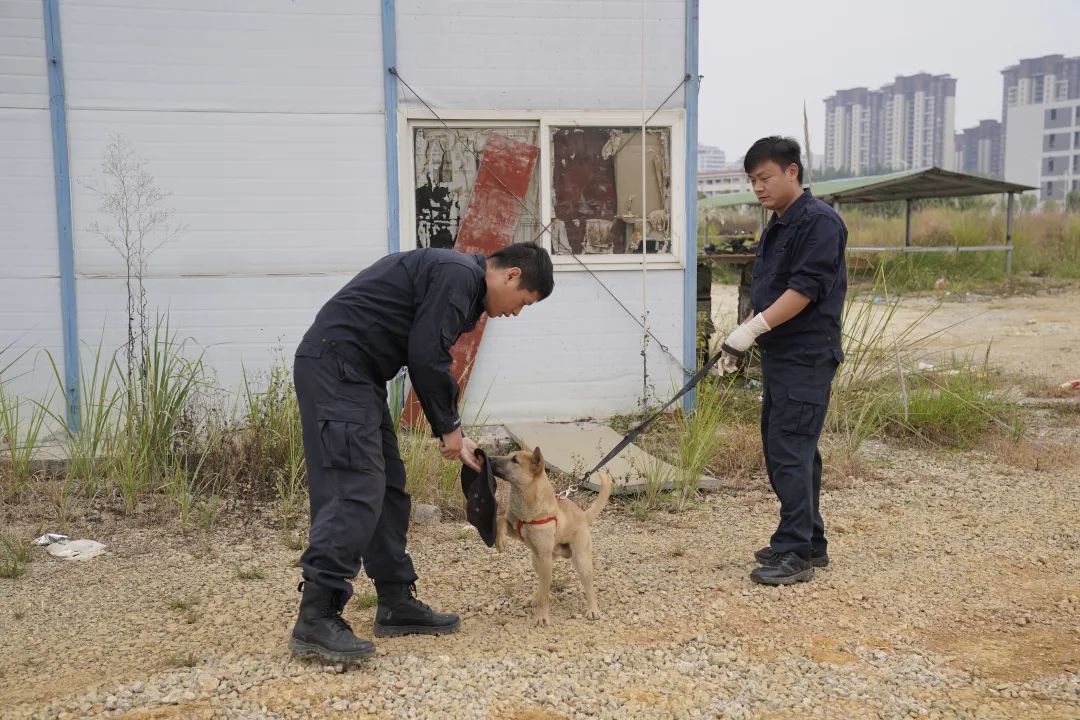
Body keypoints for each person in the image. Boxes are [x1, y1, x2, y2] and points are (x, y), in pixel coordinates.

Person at [289, 242, 554, 661]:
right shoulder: (458, 276)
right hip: (336, 370)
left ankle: (395, 601)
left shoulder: (458, 281)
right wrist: (447, 427)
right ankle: (317, 614)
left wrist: (454, 433)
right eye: (523, 303)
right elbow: (426, 354)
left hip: (358, 377)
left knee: (388, 487)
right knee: (355, 487)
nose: (515, 313)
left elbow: (425, 352)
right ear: (512, 275)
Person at [719, 137, 848, 586]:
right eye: (752, 179)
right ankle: (810, 541)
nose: (758, 187)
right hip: (781, 354)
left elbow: (804, 290)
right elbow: (772, 292)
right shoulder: (779, 223)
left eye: (765, 177)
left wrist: (752, 329)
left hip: (807, 356)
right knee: (793, 452)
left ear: (792, 172)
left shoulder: (819, 223)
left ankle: (795, 552)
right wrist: (741, 338)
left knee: (789, 452)